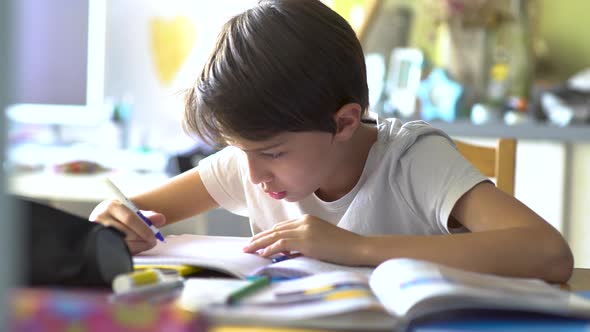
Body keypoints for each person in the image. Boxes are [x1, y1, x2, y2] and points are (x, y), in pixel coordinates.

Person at [90, 0, 573, 283]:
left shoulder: (412, 161)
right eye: (240, 149)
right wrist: (112, 223)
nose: (254, 175)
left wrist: (356, 247)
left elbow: (549, 254)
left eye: (273, 153)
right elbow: (130, 213)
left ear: (344, 123)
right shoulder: (249, 161)